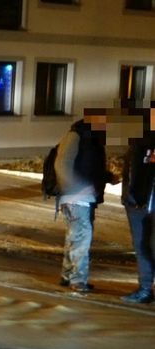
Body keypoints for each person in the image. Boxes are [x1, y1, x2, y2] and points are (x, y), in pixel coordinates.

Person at [54, 114, 112, 293]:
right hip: (76, 197)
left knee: (75, 236)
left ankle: (67, 275)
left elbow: (90, 168)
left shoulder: (91, 140)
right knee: (81, 237)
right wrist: (76, 188)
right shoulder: (76, 136)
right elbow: (62, 165)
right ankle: (78, 280)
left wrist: (108, 178)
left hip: (83, 197)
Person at [120, 108, 155, 303]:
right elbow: (131, 173)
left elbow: (135, 174)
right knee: (142, 246)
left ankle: (145, 289)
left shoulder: (140, 145)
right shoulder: (137, 146)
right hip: (137, 202)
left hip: (142, 202)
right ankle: (145, 288)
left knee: (146, 246)